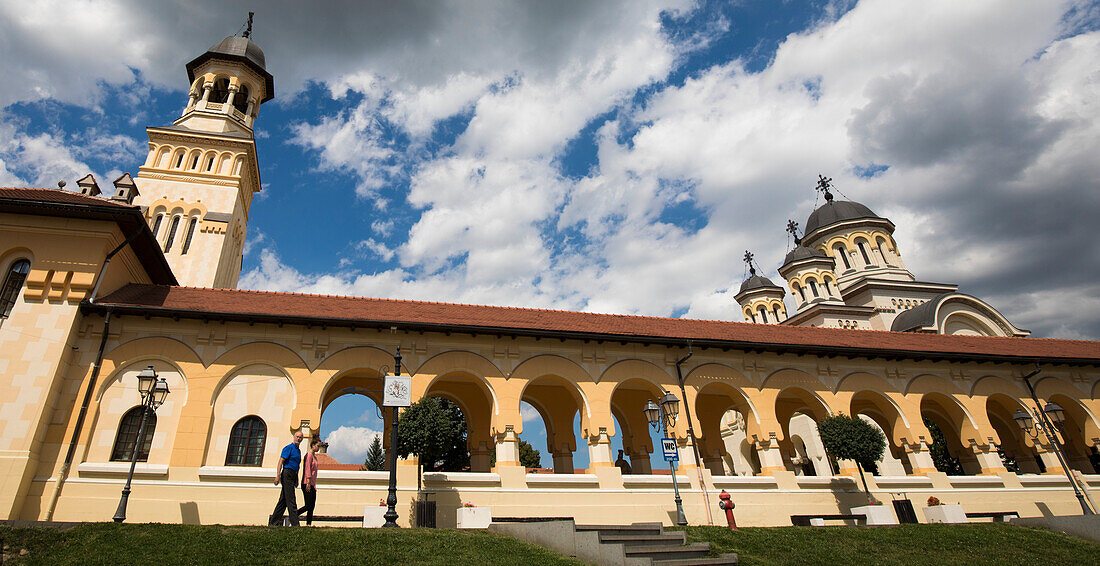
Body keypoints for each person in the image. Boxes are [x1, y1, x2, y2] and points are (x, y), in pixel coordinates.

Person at [268, 430, 304, 526]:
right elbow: (280, 462)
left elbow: (297, 466)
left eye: (300, 437)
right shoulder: (289, 448)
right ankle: (295, 524)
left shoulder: (298, 451)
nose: (298, 439)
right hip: (286, 473)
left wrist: (296, 479)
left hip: (293, 474)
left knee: (283, 501)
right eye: (297, 436)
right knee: (291, 499)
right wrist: (278, 475)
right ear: (294, 437)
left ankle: (273, 522)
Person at [297, 438, 321, 525]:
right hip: (307, 483)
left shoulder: (314, 457)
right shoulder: (309, 455)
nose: (318, 448)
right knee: (308, 505)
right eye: (317, 446)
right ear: (313, 445)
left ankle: (308, 524)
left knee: (312, 506)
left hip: (312, 484)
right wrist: (307, 481)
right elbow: (307, 468)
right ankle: (294, 515)